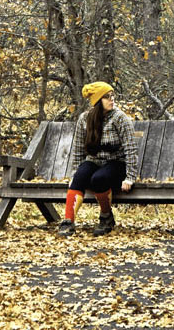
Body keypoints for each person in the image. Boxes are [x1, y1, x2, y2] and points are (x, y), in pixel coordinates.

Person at [57, 81, 138, 237]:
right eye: (107, 97)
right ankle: (68, 222)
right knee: (78, 178)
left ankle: (106, 217)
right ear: (97, 101)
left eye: (112, 96)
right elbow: (79, 150)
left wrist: (130, 177)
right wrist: (75, 173)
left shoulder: (120, 119)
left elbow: (131, 149)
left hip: (116, 162)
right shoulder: (85, 119)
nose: (112, 99)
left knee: (98, 179)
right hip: (94, 161)